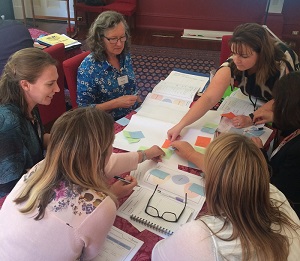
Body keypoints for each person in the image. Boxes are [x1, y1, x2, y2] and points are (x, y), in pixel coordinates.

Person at [0, 107, 165, 260]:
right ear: (100, 153)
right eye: (110, 145)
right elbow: (88, 255)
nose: (112, 150)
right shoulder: (102, 206)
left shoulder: (41, 167)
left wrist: (144, 155)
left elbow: (105, 163)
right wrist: (111, 195)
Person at [152, 133, 300, 261]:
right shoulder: (271, 191)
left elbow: (158, 255)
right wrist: (191, 155)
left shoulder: (201, 235)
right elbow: (234, 173)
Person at [168, 23, 300, 141]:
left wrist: (251, 118)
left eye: (244, 56)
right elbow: (208, 98)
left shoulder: (282, 63)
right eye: (234, 53)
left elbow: (281, 99)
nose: (236, 60)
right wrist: (181, 125)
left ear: (261, 54)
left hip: (286, 99)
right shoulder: (232, 64)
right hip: (252, 100)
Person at [0, 48, 59, 198]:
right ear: (25, 85)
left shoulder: (29, 104)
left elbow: (37, 140)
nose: (58, 89)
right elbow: (12, 186)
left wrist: (66, 141)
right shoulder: (9, 124)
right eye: (50, 84)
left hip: (35, 182)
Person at [252, 71, 300, 216]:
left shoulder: (297, 151)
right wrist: (276, 117)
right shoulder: (294, 123)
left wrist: (259, 152)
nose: (273, 105)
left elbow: (275, 188)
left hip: (285, 209)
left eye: (277, 102)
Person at [77, 11, 140, 120]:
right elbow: (84, 110)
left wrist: (138, 100)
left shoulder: (124, 55)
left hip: (132, 114)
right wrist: (116, 103)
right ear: (100, 39)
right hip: (107, 122)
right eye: (113, 39)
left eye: (122, 37)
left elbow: (131, 86)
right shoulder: (89, 67)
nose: (119, 44)